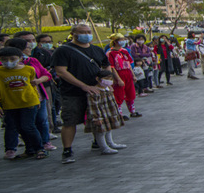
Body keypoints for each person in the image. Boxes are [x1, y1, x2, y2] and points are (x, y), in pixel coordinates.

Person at [51, 24, 118, 164]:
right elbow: (61, 71)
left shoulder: (96, 50)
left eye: (88, 32)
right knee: (70, 120)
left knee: (99, 116)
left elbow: (106, 65)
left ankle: (98, 142)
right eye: (82, 32)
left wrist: (107, 82)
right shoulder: (63, 50)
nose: (86, 34)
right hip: (73, 92)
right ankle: (67, 150)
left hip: (97, 91)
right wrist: (83, 86)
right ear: (73, 33)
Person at [0, 46, 45, 160]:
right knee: (19, 127)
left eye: (12, 58)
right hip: (9, 104)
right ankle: (29, 150)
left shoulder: (29, 69)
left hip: (29, 102)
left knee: (28, 126)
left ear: (20, 58)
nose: (8, 62)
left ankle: (40, 149)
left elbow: (32, 85)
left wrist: (37, 98)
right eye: (4, 59)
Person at [82, 68, 127, 155]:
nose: (109, 81)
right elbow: (93, 106)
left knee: (109, 129)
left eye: (110, 79)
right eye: (106, 79)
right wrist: (96, 117)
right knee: (101, 131)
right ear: (98, 79)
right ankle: (104, 147)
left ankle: (110, 143)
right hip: (100, 114)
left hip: (109, 113)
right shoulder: (94, 92)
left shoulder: (108, 89)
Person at [107, 34, 140, 117]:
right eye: (122, 39)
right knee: (119, 95)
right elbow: (112, 67)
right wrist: (118, 79)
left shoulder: (124, 51)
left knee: (131, 93)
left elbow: (128, 64)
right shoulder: (110, 53)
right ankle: (119, 114)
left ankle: (132, 111)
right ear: (115, 41)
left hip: (127, 74)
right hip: (118, 75)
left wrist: (133, 75)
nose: (124, 41)